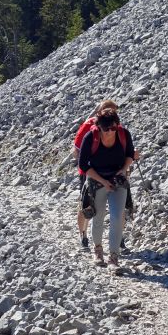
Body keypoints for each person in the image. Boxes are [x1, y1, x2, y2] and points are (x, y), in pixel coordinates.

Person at [78, 106, 135, 267]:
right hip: (97, 180)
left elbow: (130, 155)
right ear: (99, 127)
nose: (110, 132)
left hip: (118, 178)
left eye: (113, 128)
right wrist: (103, 182)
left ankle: (114, 257)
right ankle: (98, 250)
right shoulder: (91, 137)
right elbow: (83, 164)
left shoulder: (124, 134)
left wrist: (123, 171)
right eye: (106, 128)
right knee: (99, 217)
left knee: (117, 217)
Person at [73, 99, 119, 249]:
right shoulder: (88, 126)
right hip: (89, 172)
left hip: (111, 171)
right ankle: (83, 234)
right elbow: (76, 151)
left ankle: (120, 236)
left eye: (113, 111)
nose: (111, 114)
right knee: (86, 204)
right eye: (108, 111)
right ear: (100, 112)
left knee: (117, 205)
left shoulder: (116, 126)